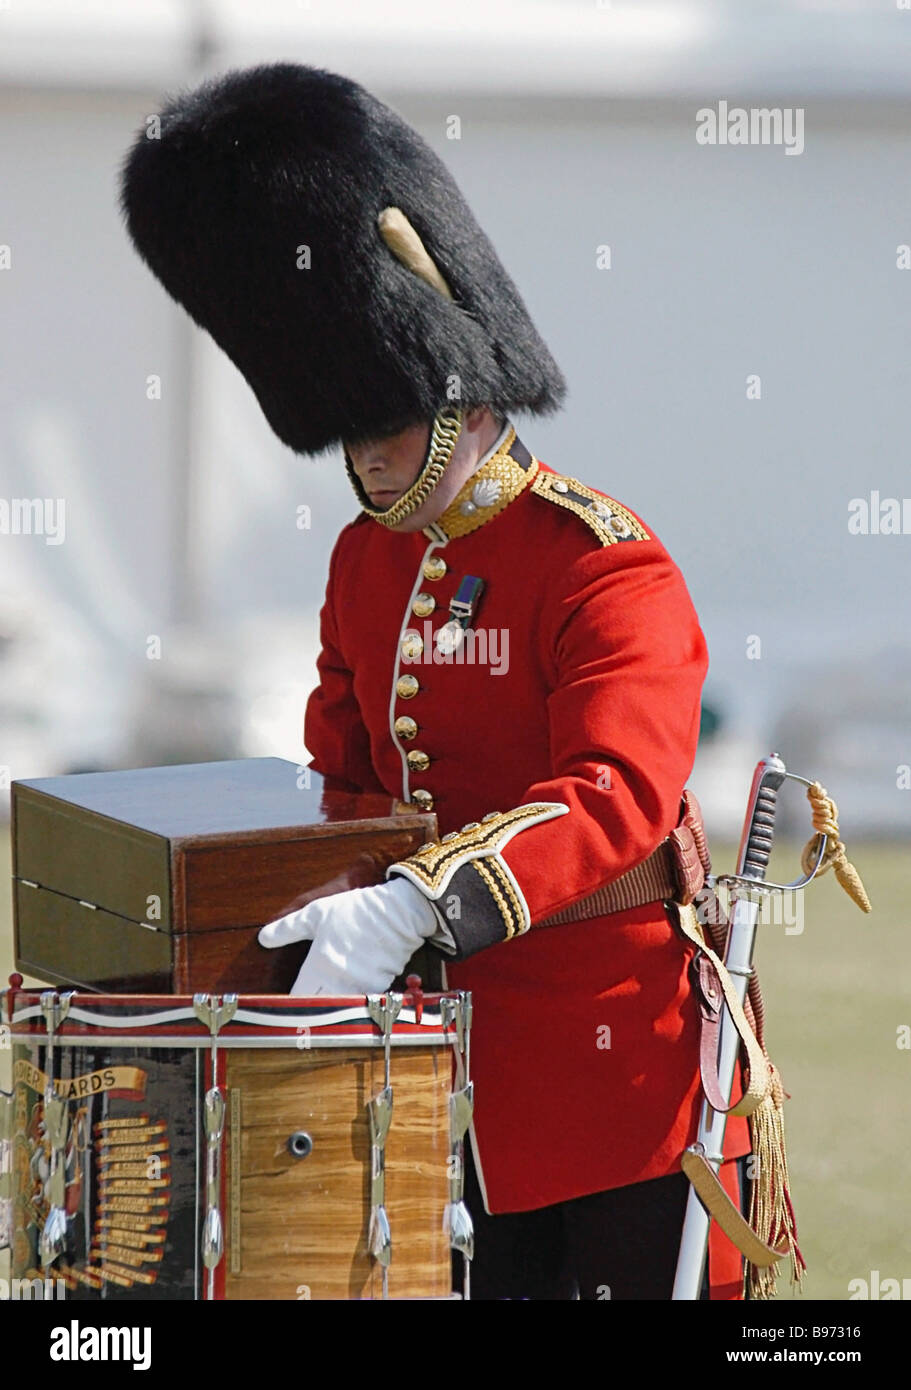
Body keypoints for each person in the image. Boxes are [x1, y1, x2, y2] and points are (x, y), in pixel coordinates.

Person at [119, 60, 753, 1299]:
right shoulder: (366, 564)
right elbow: (346, 774)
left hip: (602, 1057)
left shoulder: (600, 561)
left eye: (386, 427)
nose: (364, 460)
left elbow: (616, 792)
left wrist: (419, 898)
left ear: (462, 396)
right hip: (423, 1059)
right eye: (345, 434)